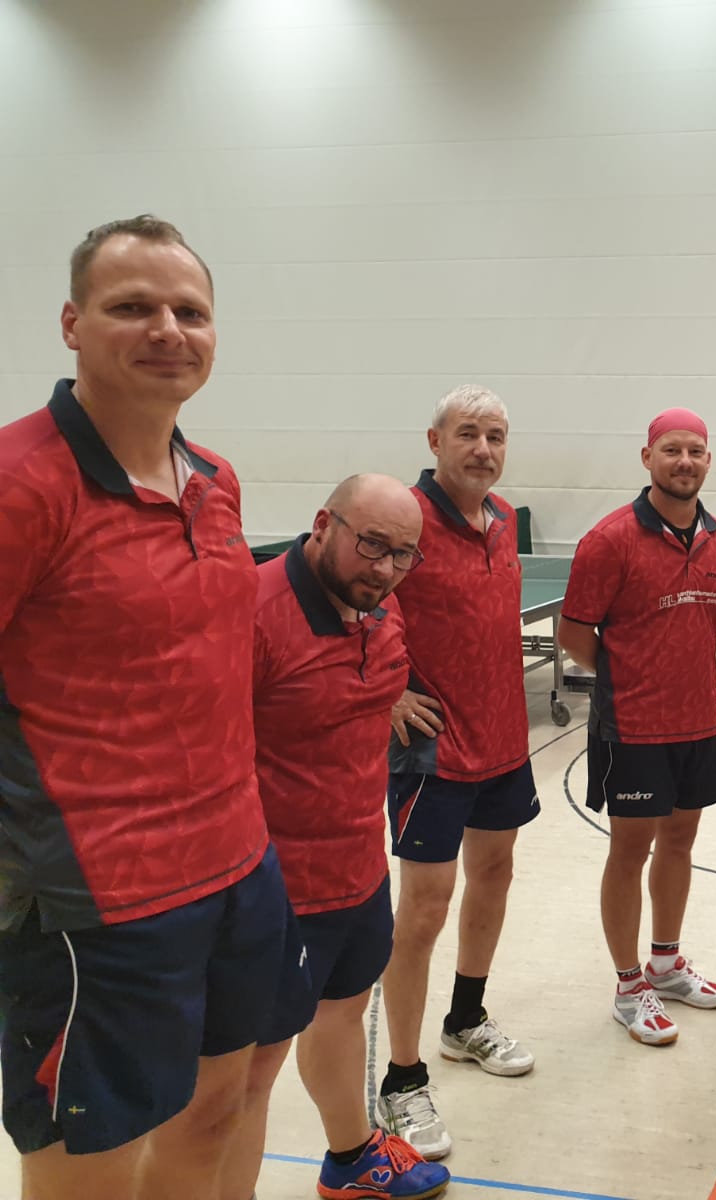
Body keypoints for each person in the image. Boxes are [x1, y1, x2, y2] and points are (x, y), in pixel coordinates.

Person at [0, 215, 303, 1199]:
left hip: (238, 868)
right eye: (133, 306)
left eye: (190, 312)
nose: (168, 329)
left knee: (216, 1113)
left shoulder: (215, 481)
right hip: (95, 903)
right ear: (72, 324)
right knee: (90, 1166)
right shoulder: (19, 484)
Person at [224, 476, 448, 1200]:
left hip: (359, 868)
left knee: (344, 1013)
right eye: (371, 544)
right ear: (324, 523)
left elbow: (362, 684)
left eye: (403, 554)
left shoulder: (378, 605)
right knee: (248, 1075)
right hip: (274, 889)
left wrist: (391, 697)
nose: (384, 568)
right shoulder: (252, 612)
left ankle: (351, 1159)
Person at [377, 385, 538, 1159]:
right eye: (468, 433)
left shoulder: (501, 518)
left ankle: (465, 1020)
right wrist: (389, 691)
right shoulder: (402, 520)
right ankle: (401, 1078)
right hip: (433, 750)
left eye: (496, 435)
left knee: (495, 875)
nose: (483, 448)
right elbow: (355, 602)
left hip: (503, 739)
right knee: (424, 909)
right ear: (435, 440)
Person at [557, 408, 716, 1047]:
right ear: (648, 458)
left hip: (698, 721)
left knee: (681, 843)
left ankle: (666, 966)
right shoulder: (609, 540)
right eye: (671, 450)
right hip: (632, 727)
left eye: (695, 451)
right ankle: (628, 985)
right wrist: (629, 672)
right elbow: (574, 633)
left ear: (708, 460)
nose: (684, 461)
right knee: (630, 850)